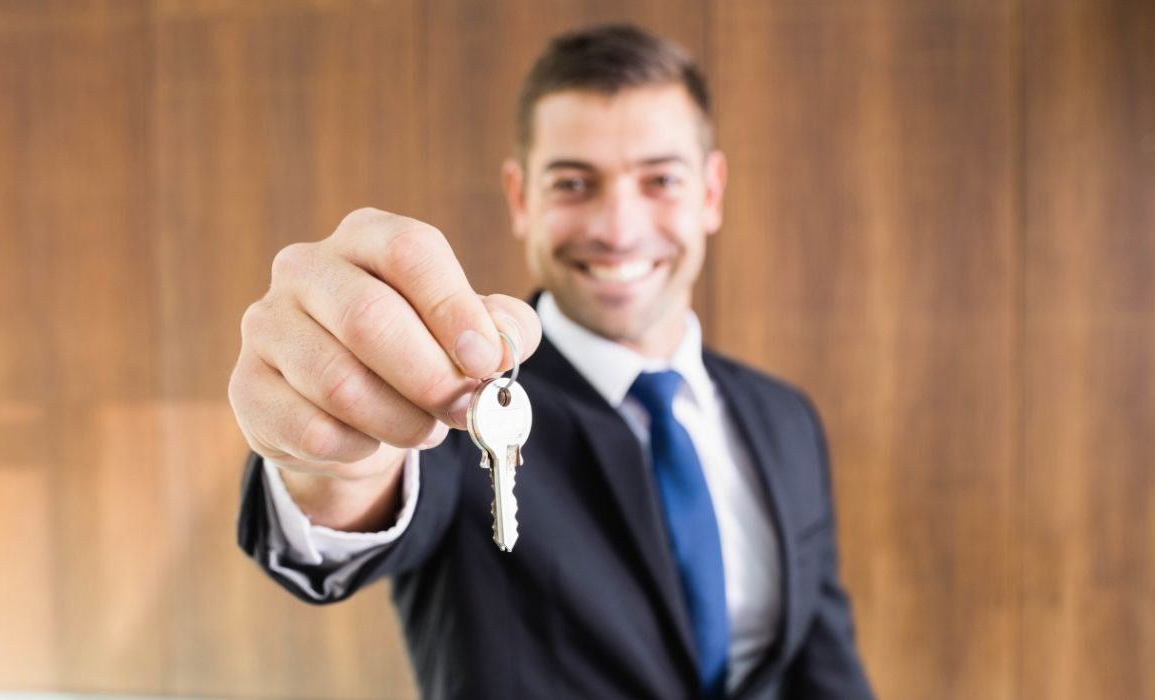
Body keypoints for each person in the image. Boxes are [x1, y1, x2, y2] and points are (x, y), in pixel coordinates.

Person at [229, 23, 875, 700]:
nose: (618, 229)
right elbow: (363, 493)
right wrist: (334, 457)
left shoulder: (785, 419)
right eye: (573, 183)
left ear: (710, 193)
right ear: (521, 198)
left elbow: (824, 667)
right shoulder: (459, 407)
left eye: (660, 179)